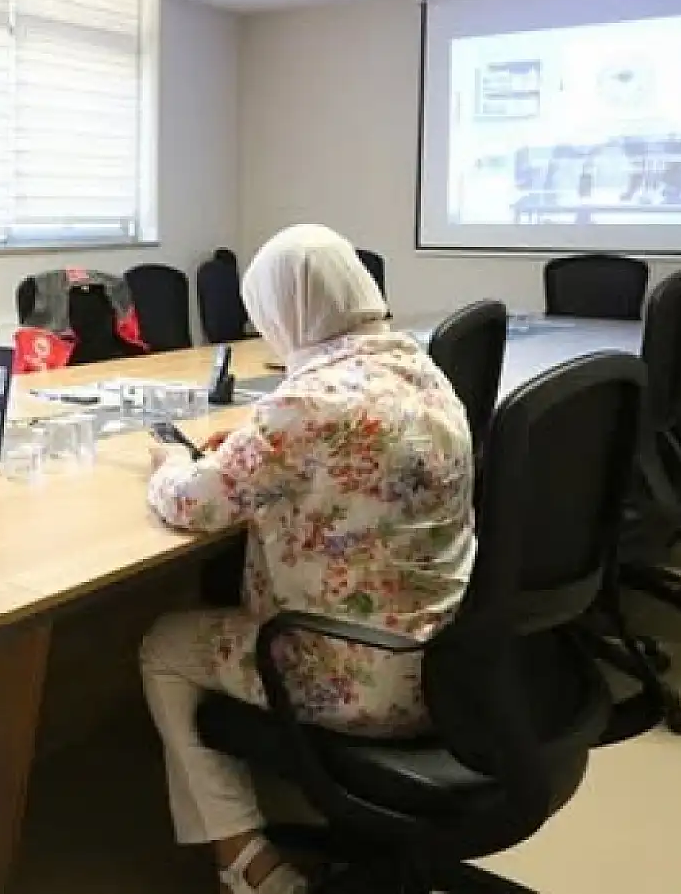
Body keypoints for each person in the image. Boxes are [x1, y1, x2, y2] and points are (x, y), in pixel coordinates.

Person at [138, 225, 477, 894]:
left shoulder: (306, 404)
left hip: (359, 677)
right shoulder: (422, 369)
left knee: (164, 643)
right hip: (457, 663)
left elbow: (189, 504)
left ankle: (244, 859)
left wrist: (172, 458)